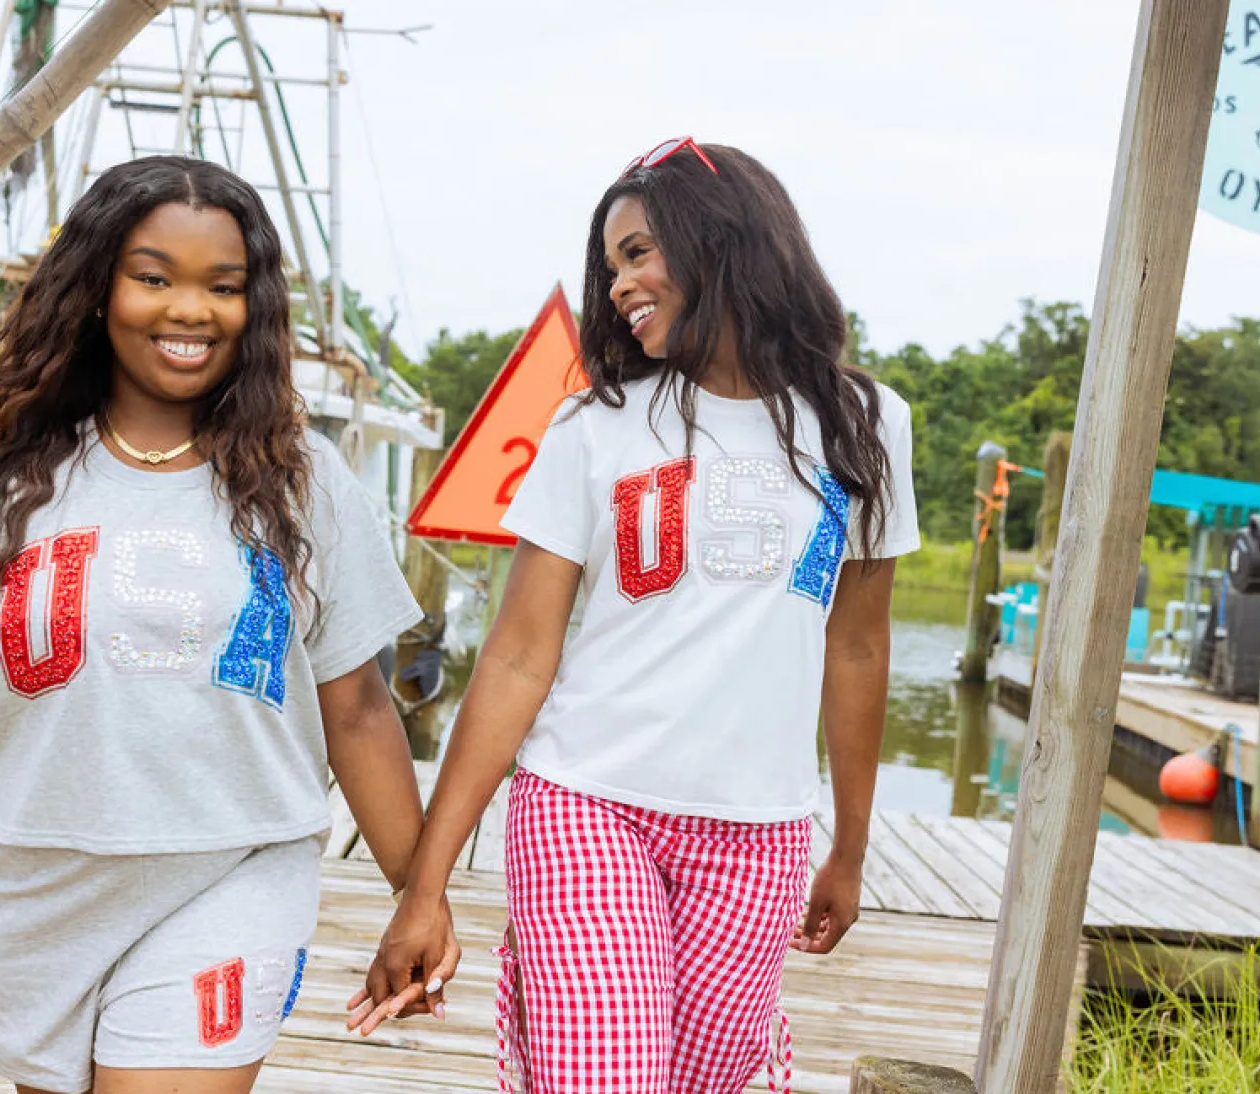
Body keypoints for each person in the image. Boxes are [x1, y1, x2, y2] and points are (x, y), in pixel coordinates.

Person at [0, 155, 454, 1094]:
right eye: (154, 277)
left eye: (223, 285)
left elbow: (364, 711)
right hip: (33, 896)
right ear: (96, 290)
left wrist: (420, 899)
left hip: (232, 871)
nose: (189, 310)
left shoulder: (304, 483)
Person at [350, 138, 920, 1092]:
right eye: (610, 263)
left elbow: (857, 647)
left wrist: (849, 849)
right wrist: (427, 885)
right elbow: (519, 659)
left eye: (640, 252)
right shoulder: (598, 425)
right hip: (586, 803)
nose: (618, 285)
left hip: (760, 832)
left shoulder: (866, 424)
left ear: (724, 240)